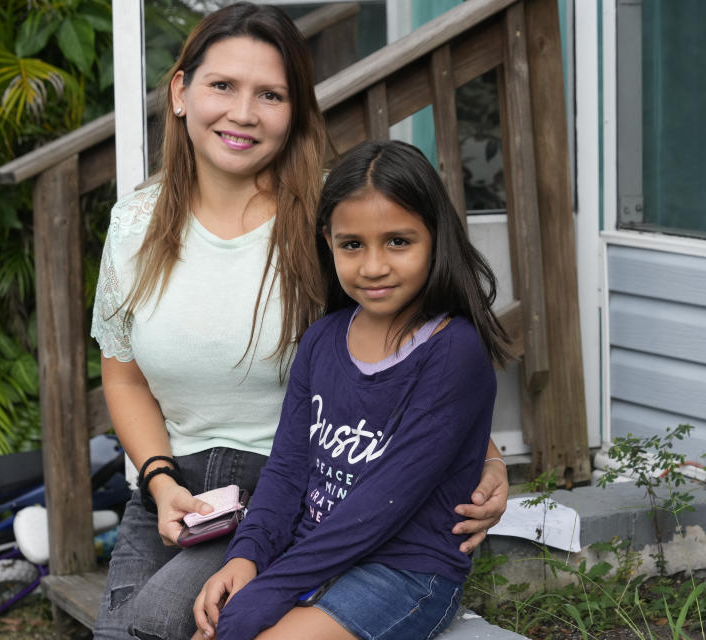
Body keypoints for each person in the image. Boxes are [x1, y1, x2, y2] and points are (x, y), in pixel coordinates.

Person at [90, 5, 509, 639]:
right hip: (179, 490)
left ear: (296, 111)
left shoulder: (333, 218)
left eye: (271, 94)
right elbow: (122, 379)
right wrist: (159, 479)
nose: (244, 113)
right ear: (180, 92)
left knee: (161, 626)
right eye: (222, 85)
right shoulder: (133, 226)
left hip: (293, 489)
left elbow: (407, 347)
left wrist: (486, 456)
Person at [192, 139, 512, 640]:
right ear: (328, 241)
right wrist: (248, 555)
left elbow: (384, 503)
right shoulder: (322, 340)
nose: (373, 266)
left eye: (399, 242)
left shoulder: (454, 352)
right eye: (352, 244)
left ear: (436, 237)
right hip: (312, 550)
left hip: (403, 571)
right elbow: (289, 467)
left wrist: (271, 590)